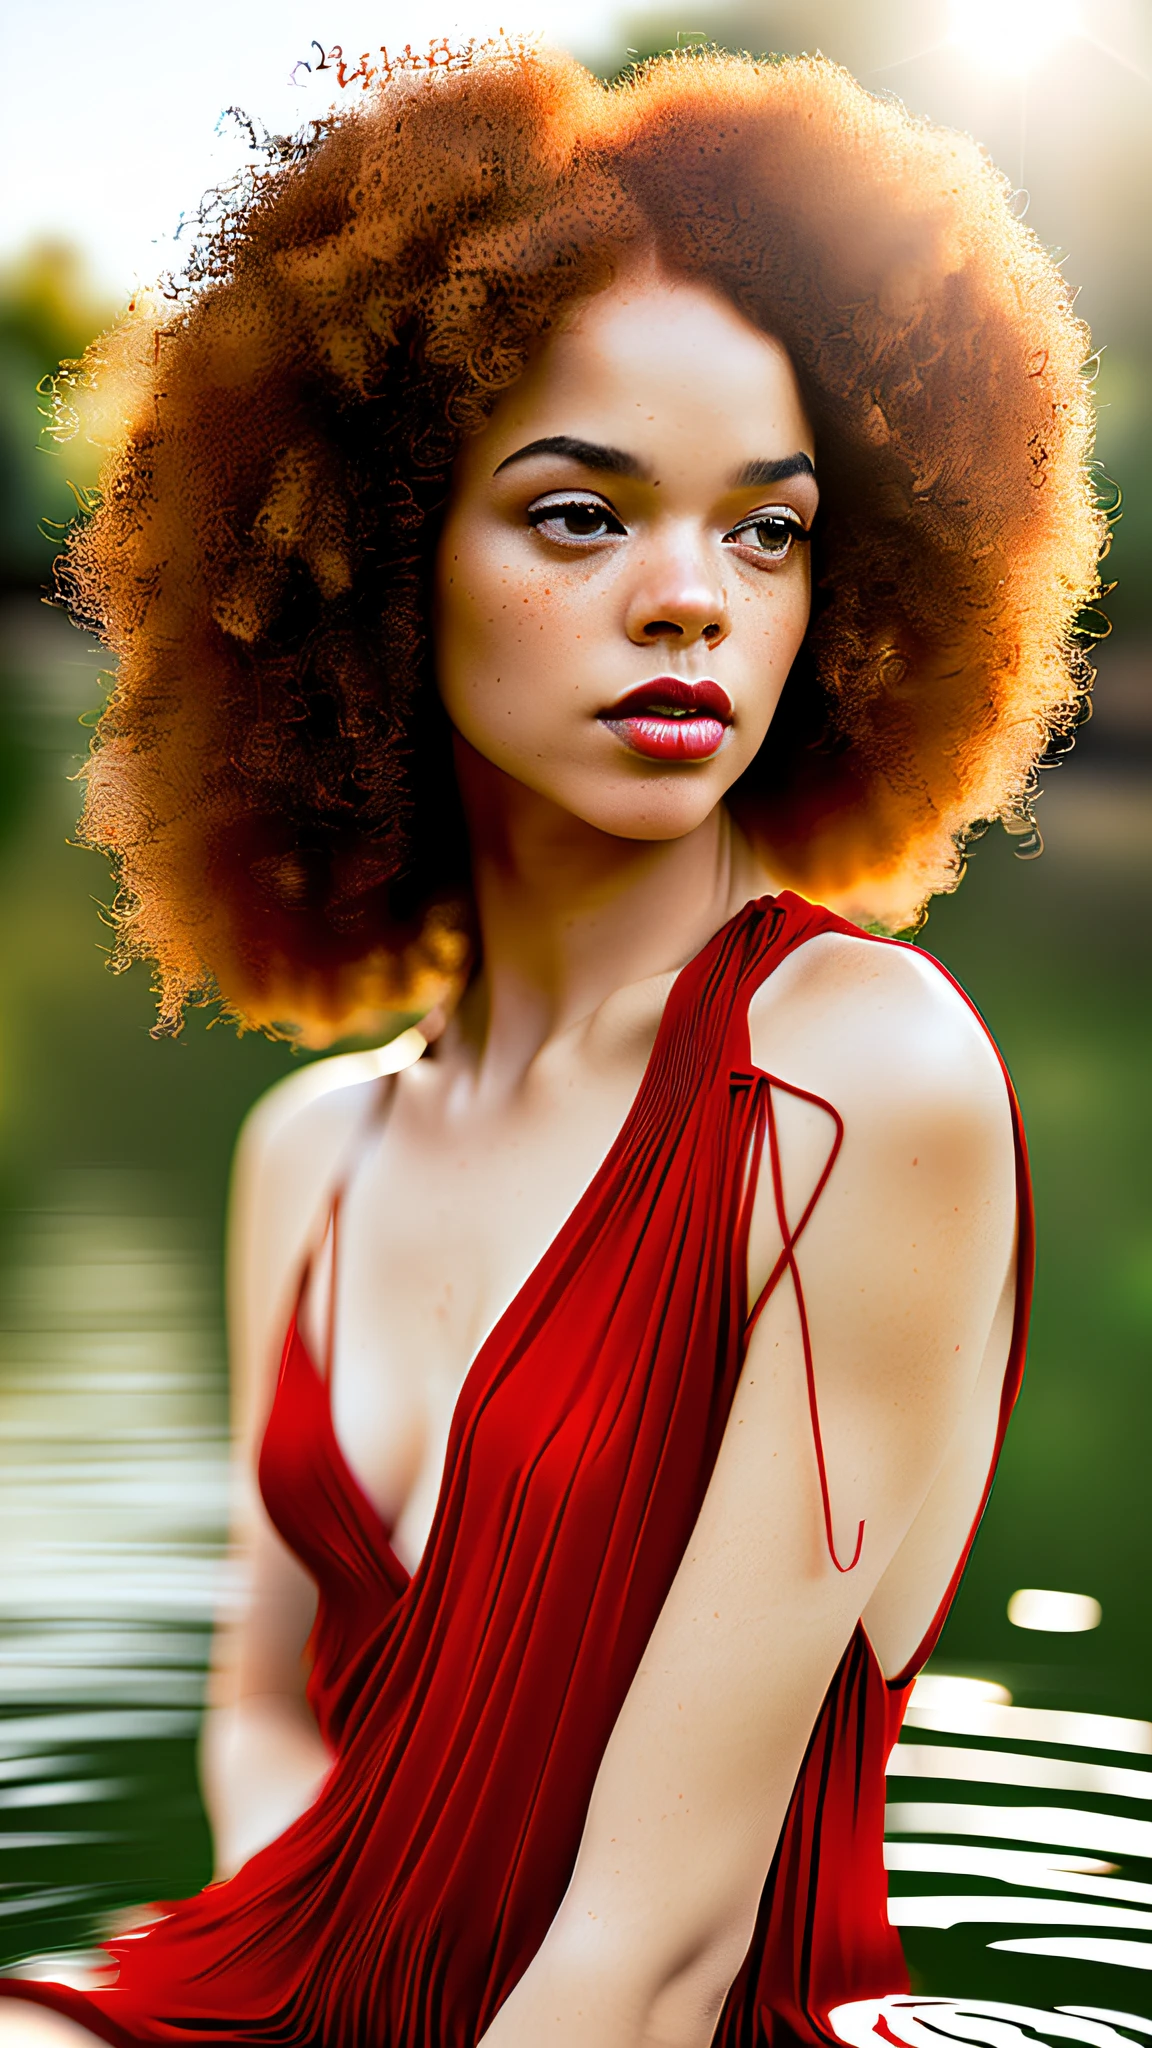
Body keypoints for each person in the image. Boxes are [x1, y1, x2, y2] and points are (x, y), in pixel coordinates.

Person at [0, 37, 1101, 2048]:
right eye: (583, 516)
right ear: (370, 560)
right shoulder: (309, 1153)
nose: (691, 602)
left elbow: (662, 1947)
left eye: (767, 533)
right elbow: (265, 1714)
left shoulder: (858, 1080)